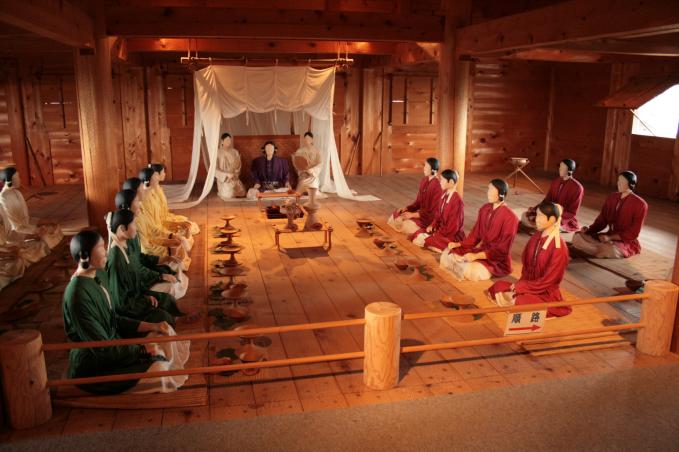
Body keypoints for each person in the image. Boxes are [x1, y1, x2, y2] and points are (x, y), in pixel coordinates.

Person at [62, 229, 189, 395]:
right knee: (159, 367)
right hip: (95, 364)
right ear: (85, 256)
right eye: (100, 248)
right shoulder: (78, 295)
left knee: (161, 333)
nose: (106, 251)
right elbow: (102, 348)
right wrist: (142, 350)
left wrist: (152, 326)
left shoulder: (97, 275)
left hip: (114, 343)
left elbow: (113, 319)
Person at [488, 202, 571, 317]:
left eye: (540, 216)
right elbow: (526, 266)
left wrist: (523, 287)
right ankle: (515, 300)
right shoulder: (536, 236)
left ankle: (518, 302)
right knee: (498, 286)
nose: (536, 219)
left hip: (544, 292)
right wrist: (520, 285)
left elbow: (548, 281)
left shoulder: (559, 248)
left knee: (521, 301)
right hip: (527, 285)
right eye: (537, 215)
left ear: (552, 219)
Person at [106, 209, 185, 325]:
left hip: (138, 294)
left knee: (167, 300)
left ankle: (176, 320)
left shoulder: (125, 245)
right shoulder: (116, 260)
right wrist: (145, 299)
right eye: (133, 224)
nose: (136, 228)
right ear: (122, 229)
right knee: (163, 316)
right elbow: (121, 303)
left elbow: (137, 269)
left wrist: (146, 294)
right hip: (129, 308)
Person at [114, 189, 188, 300]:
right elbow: (138, 266)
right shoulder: (121, 246)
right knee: (171, 286)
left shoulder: (131, 230)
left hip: (144, 268)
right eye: (136, 201)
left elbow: (140, 256)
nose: (140, 203)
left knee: (173, 268)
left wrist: (165, 257)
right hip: (137, 287)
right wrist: (159, 276)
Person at [440, 179, 518, 281]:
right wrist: (459, 244)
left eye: (492, 190)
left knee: (470, 270)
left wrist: (476, 256)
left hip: (497, 259)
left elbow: (502, 250)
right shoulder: (485, 209)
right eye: (488, 189)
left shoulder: (511, 217)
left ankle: (479, 267)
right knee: (448, 254)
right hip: (482, 251)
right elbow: (475, 234)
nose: (488, 193)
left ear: (501, 194)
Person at [572, 170, 648, 259]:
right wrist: (589, 230)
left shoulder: (640, 204)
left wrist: (610, 238)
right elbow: (602, 220)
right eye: (618, 180)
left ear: (631, 184)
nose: (619, 183)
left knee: (609, 249)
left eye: (622, 181)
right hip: (606, 238)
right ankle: (597, 250)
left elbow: (633, 233)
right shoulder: (612, 197)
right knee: (577, 236)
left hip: (624, 241)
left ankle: (596, 249)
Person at [136, 168, 191, 269]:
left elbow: (155, 226)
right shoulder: (140, 211)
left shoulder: (144, 205)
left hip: (157, 236)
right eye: (155, 176)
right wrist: (167, 247)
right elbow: (145, 247)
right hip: (149, 251)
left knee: (180, 240)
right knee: (179, 246)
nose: (158, 178)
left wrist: (169, 236)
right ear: (147, 181)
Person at [0, 166, 63, 249]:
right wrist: (34, 232)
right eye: (17, 178)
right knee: (44, 239)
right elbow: (16, 227)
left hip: (26, 227)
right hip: (16, 233)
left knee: (53, 227)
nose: (19, 180)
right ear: (9, 180)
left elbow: (27, 219)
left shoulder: (17, 192)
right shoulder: (4, 197)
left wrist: (44, 222)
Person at [521, 159, 583, 233]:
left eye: (563, 168)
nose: (560, 169)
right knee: (525, 215)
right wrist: (536, 209)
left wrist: (556, 217)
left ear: (570, 171)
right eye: (560, 167)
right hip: (548, 212)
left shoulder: (577, 188)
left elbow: (572, 212)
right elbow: (547, 200)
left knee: (550, 225)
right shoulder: (556, 181)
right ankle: (541, 225)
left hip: (562, 218)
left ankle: (545, 226)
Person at [411, 169, 465, 252]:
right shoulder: (444, 194)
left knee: (425, 240)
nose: (440, 182)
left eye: (442, 180)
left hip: (451, 235)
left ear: (450, 182)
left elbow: (454, 227)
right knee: (418, 235)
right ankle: (436, 245)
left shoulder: (457, 201)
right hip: (441, 231)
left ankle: (442, 246)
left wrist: (438, 233)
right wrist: (433, 225)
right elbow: (438, 215)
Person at [387, 157, 443, 236]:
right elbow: (418, 202)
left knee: (405, 225)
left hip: (428, 219)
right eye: (424, 166)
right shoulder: (424, 180)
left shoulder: (438, 186)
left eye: (426, 167)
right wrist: (407, 208)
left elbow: (433, 212)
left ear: (433, 170)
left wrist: (412, 215)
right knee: (393, 217)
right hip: (420, 214)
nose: (424, 168)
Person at [149, 163, 200, 236]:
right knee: (185, 231)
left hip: (165, 219)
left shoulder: (158, 188)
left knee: (190, 225)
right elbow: (157, 221)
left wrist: (176, 223)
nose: (164, 174)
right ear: (156, 174)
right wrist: (176, 224)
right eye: (163, 172)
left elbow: (163, 213)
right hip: (159, 224)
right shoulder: (151, 195)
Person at [293, 132, 323, 208]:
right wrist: (302, 169)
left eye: (309, 139)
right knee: (300, 188)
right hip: (304, 174)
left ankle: (311, 197)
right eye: (305, 139)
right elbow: (297, 164)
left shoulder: (317, 151)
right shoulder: (300, 151)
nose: (307, 140)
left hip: (313, 175)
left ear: (312, 139)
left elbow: (320, 164)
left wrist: (312, 170)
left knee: (313, 187)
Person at [215, 132, 246, 200]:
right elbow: (215, 169)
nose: (229, 142)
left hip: (233, 177)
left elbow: (238, 166)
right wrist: (226, 175)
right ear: (222, 141)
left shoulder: (235, 152)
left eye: (230, 140)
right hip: (224, 179)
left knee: (242, 192)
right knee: (229, 194)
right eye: (227, 140)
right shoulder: (217, 153)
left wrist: (234, 174)